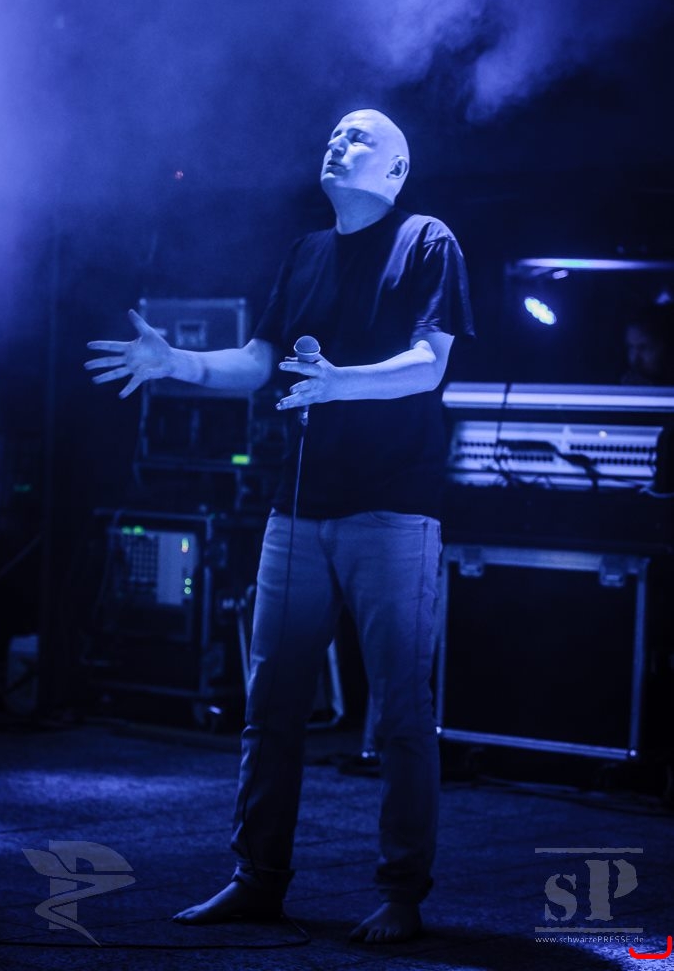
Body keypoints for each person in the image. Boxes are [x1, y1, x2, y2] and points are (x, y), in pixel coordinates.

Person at [86, 108, 474, 943]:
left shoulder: (426, 240)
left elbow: (429, 364)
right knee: (270, 706)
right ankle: (256, 879)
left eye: (359, 137)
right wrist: (178, 363)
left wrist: (340, 384)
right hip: (297, 509)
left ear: (396, 169)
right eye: (334, 134)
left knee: (399, 713)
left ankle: (401, 893)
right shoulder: (305, 252)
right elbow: (260, 361)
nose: (338, 142)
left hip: (393, 508)